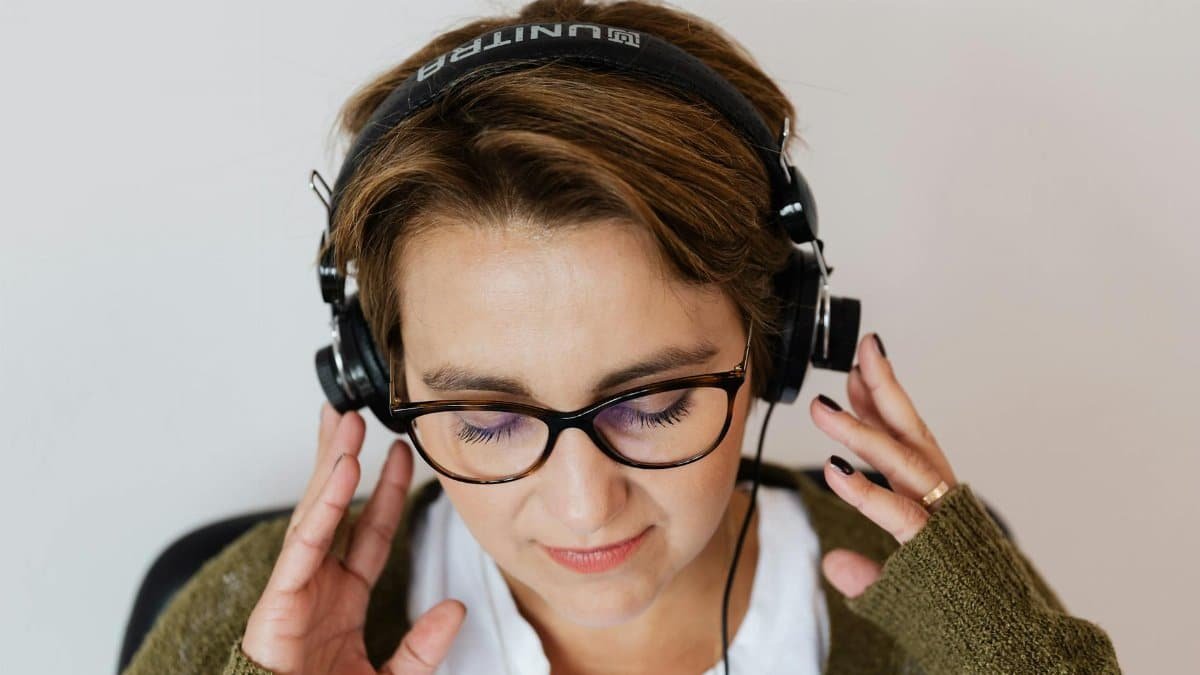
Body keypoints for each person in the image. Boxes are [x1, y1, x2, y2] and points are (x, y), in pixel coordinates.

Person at [120, 1, 1122, 673]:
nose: (582, 504)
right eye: (484, 418)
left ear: (771, 348)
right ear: (376, 377)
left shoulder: (937, 593)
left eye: (653, 403)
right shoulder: (261, 614)